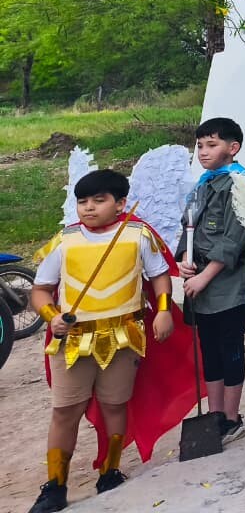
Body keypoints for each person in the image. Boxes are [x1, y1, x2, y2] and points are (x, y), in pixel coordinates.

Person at [27, 170, 185, 513]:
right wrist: (52, 316)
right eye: (83, 201)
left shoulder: (138, 235)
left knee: (115, 405)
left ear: (121, 203)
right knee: (64, 411)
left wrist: (163, 311)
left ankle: (110, 472)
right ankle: (55, 485)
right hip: (73, 341)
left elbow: (158, 276)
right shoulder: (65, 240)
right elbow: (39, 291)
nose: (89, 208)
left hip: (122, 336)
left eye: (99, 200)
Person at [177, 117, 245, 446]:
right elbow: (187, 228)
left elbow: (233, 241)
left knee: (229, 347)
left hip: (228, 284)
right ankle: (214, 414)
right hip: (200, 286)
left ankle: (231, 417)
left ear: (233, 148)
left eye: (212, 145)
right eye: (200, 146)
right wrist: (184, 260)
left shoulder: (241, 185)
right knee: (208, 349)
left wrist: (206, 275)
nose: (204, 152)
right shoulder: (202, 185)